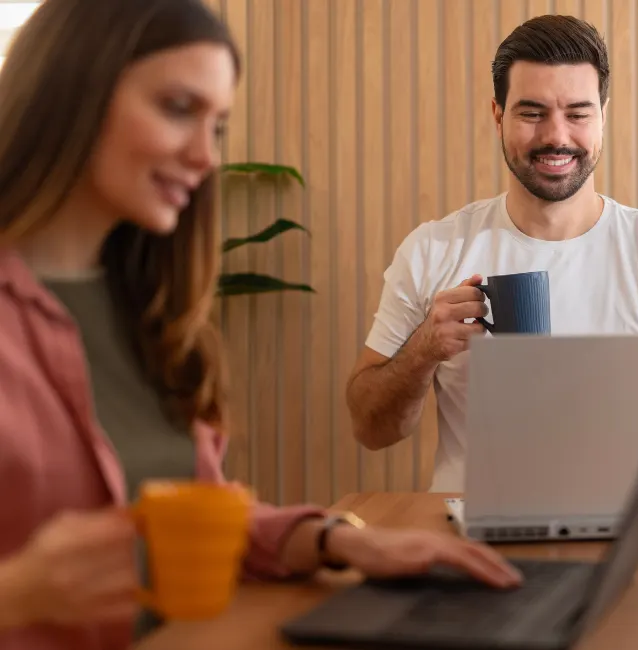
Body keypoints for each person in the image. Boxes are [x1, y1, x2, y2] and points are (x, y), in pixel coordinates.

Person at [0, 1, 521, 648]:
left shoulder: (154, 313)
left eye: (217, 127)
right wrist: (18, 590)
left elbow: (202, 517)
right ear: (72, 92)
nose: (204, 156)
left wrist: (343, 543)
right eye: (176, 108)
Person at [346, 15, 638, 493]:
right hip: (471, 543)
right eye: (532, 112)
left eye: (578, 113)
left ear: (603, 114)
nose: (556, 136)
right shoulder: (432, 250)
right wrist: (424, 349)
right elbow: (371, 429)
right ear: (498, 114)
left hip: (617, 536)